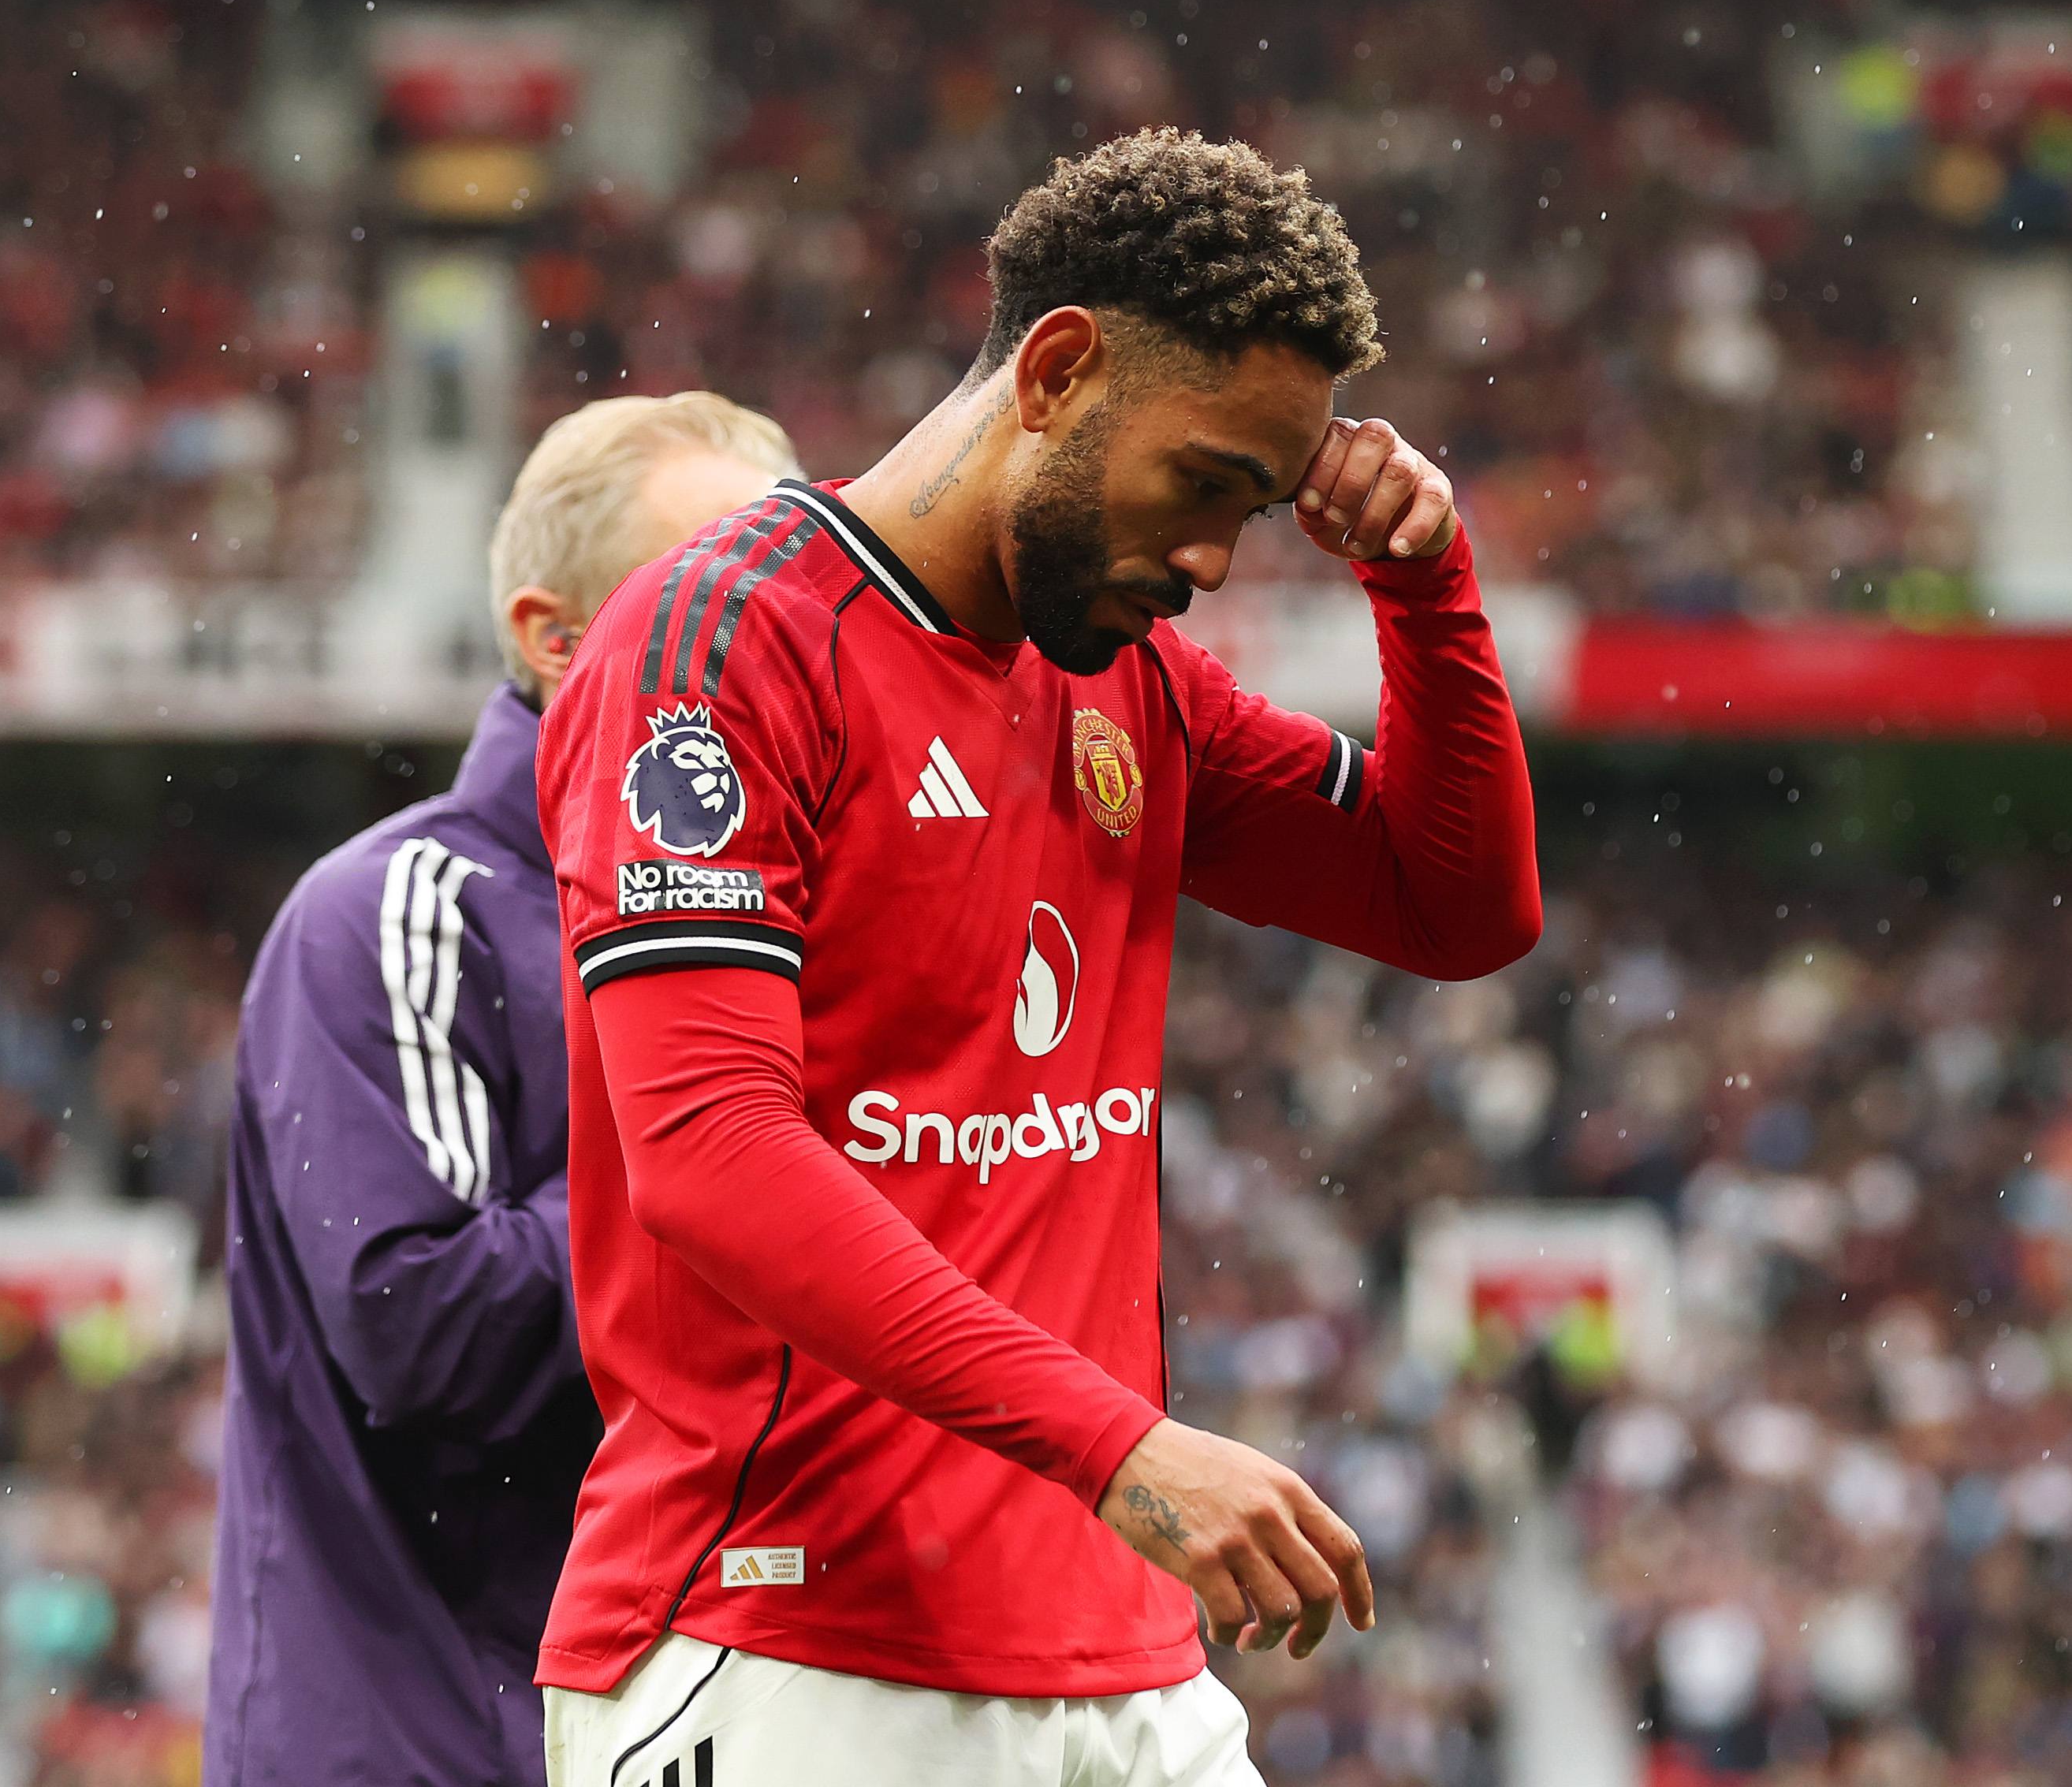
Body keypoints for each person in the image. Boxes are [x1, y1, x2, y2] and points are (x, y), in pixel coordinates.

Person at [532, 132, 1544, 1785]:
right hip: (793, 1645)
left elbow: (1458, 908)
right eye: (1206, 482)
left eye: (1260, 508)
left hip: (1125, 1658)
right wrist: (1126, 1449)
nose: (1218, 559)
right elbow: (712, 1155)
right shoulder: (717, 644)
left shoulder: (1131, 683)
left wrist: (1428, 588)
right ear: (1060, 370)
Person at [206, 394, 801, 1787]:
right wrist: (725, 1138)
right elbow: (427, 1328)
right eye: (703, 598)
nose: (766, 644)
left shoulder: (799, 916)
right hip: (433, 1735)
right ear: (552, 637)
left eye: (787, 595)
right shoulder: (401, 911)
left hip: (699, 1722)